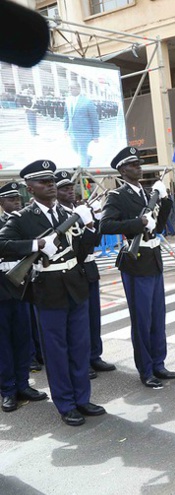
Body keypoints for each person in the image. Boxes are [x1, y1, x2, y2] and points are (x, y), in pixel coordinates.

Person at [0, 161, 104, 425]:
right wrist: (36, 244)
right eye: (43, 182)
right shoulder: (21, 218)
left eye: (51, 181)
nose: (50, 185)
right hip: (48, 291)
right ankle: (66, 403)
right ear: (29, 188)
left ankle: (83, 398)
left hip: (76, 286)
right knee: (57, 351)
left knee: (80, 347)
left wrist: (91, 225)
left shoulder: (67, 213)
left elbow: (82, 251)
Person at [100, 147, 175, 389]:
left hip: (153, 258)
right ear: (123, 170)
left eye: (139, 163)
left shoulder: (148, 193)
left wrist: (164, 200)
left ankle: (159, 362)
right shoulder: (117, 196)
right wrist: (138, 222)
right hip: (135, 262)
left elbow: (162, 225)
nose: (138, 167)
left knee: (157, 316)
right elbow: (106, 225)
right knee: (142, 319)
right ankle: (146, 369)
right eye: (133, 164)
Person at [54, 171, 116, 379]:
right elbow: (77, 250)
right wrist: (88, 225)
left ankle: (94, 356)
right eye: (64, 188)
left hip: (89, 268)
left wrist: (96, 220)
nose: (69, 191)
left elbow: (95, 243)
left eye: (71, 187)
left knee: (93, 316)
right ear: (56, 192)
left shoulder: (80, 210)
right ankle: (80, 360)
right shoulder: (59, 216)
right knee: (77, 322)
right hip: (73, 269)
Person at [0, 180, 48, 413]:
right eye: (11, 200)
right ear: (1, 203)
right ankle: (8, 390)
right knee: (3, 345)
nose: (16, 203)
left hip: (20, 289)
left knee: (23, 340)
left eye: (18, 199)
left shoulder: (24, 222)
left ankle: (23, 384)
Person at [63, 81, 99, 168]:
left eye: (72, 88)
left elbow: (94, 119)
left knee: (82, 153)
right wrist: (65, 129)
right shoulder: (67, 100)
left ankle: (84, 174)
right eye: (69, 88)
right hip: (72, 133)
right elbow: (66, 116)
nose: (70, 90)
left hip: (84, 133)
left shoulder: (87, 102)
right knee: (75, 149)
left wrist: (96, 135)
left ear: (79, 89)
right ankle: (88, 158)